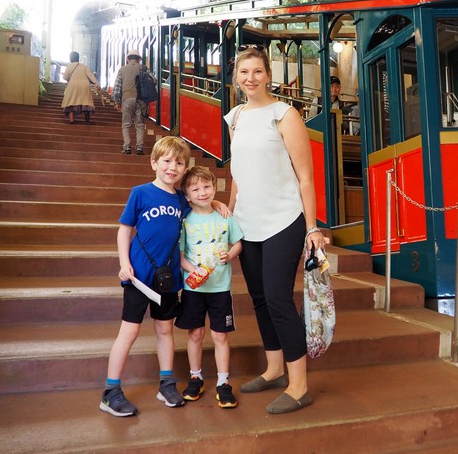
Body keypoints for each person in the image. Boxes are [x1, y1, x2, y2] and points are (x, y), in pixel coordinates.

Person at [224, 46, 325, 414]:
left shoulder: (285, 114)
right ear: (237, 78)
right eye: (244, 72)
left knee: (280, 298)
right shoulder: (234, 117)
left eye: (257, 71)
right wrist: (230, 214)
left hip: (284, 219)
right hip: (247, 222)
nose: (250, 78)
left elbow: (306, 177)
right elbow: (238, 173)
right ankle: (274, 369)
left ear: (268, 75)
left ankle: (299, 386)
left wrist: (312, 227)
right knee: (260, 299)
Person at [99, 136, 191, 417]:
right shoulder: (140, 193)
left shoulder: (181, 200)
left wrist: (220, 207)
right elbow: (124, 230)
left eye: (179, 163)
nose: (172, 167)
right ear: (154, 163)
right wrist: (124, 263)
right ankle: (110, 390)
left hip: (168, 277)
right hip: (139, 276)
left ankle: (166, 383)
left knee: (165, 329)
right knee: (130, 330)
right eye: (166, 161)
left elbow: (201, 211)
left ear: (185, 168)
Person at [175, 165, 243, 408]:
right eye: (195, 188)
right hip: (194, 289)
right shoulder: (185, 220)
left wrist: (230, 255)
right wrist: (193, 270)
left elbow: (237, 243)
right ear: (187, 194)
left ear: (215, 188)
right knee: (195, 333)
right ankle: (196, 377)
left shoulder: (224, 216)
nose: (202, 192)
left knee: (220, 335)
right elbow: (180, 254)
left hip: (220, 289)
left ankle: (223, 382)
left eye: (207, 186)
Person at [112, 49, 146, 155]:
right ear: (139, 59)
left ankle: (127, 147)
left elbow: (117, 87)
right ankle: (139, 147)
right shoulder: (144, 68)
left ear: (127, 59)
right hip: (141, 100)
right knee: (139, 124)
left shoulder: (122, 69)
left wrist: (117, 101)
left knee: (126, 124)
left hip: (127, 99)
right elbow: (153, 81)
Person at [60, 51, 100, 124]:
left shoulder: (69, 66)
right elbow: (91, 76)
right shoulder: (84, 67)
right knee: (85, 101)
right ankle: (87, 116)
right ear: (78, 58)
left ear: (70, 58)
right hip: (84, 84)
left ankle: (71, 119)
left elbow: (65, 77)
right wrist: (96, 83)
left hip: (73, 84)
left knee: (71, 101)